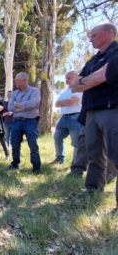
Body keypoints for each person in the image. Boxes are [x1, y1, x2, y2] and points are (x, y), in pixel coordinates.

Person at [70, 22, 118, 209]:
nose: (90, 39)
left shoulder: (115, 54)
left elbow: (102, 77)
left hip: (112, 109)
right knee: (94, 154)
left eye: (94, 35)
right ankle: (93, 190)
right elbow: (75, 85)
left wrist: (88, 81)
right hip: (91, 111)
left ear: (109, 33)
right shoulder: (92, 61)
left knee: (115, 155)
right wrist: (91, 79)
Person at [68, 110, 117, 183]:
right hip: (91, 108)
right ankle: (91, 185)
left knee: (111, 144)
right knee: (86, 142)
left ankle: (108, 176)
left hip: (111, 106)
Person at [8, 72, 42, 174]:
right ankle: (15, 164)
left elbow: (32, 104)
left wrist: (17, 105)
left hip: (31, 121)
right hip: (17, 122)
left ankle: (36, 168)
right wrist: (23, 107)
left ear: (24, 80)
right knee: (14, 144)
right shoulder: (14, 93)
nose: (15, 81)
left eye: (17, 80)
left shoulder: (35, 91)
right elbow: (10, 107)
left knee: (33, 145)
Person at [50, 71, 83, 165]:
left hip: (75, 118)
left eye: (69, 78)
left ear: (76, 78)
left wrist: (63, 102)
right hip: (63, 118)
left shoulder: (79, 89)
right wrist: (66, 101)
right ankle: (59, 159)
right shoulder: (66, 91)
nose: (66, 80)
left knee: (76, 142)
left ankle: (76, 163)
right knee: (57, 138)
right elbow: (56, 104)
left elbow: (71, 102)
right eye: (66, 78)